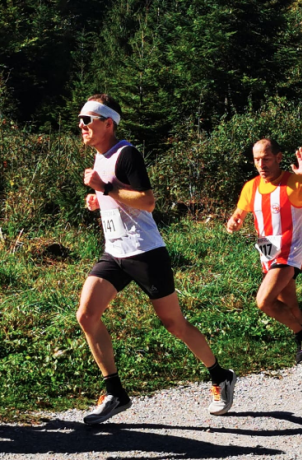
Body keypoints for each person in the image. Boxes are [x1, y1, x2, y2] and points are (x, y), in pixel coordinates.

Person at [77, 94, 236, 424]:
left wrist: (104, 190)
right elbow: (119, 198)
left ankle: (220, 375)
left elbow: (147, 201)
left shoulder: (126, 153)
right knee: (86, 315)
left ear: (109, 123)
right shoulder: (100, 157)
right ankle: (115, 392)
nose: (81, 126)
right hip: (114, 253)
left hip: (146, 252)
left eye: (87, 120)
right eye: (79, 120)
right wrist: (100, 199)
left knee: (173, 324)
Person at [226, 139, 302, 375]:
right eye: (256, 159)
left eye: (266, 159)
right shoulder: (251, 186)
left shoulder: (294, 183)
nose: (261, 164)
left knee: (264, 301)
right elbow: (240, 212)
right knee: (292, 309)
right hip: (268, 254)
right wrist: (234, 221)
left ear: (278, 158)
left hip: (289, 254)